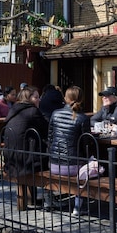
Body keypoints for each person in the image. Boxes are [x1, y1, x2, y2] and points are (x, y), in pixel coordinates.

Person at [47, 86, 90, 214]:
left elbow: (50, 137)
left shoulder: (55, 114)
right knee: (87, 171)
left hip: (54, 163)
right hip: (72, 166)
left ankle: (48, 200)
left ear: (66, 98)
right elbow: (86, 144)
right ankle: (78, 206)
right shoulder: (83, 118)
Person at [3, 86, 49, 205]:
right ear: (28, 99)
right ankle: (50, 198)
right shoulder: (32, 111)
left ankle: (30, 199)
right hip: (25, 161)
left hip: (11, 159)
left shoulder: (14, 110)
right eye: (36, 97)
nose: (39, 100)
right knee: (54, 161)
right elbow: (47, 129)